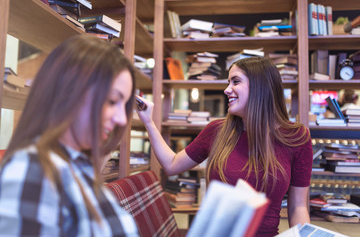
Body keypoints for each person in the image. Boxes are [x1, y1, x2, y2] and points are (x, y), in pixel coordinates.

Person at [136, 57, 313, 236]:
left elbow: (298, 207)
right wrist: (148, 122)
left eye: (235, 82)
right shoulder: (217, 130)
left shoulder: (296, 137)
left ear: (261, 86)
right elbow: (172, 165)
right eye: (228, 83)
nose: (227, 90)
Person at [0, 35, 139, 236]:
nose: (122, 119)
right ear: (69, 93)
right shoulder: (33, 170)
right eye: (111, 101)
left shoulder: (73, 164)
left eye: (124, 106)